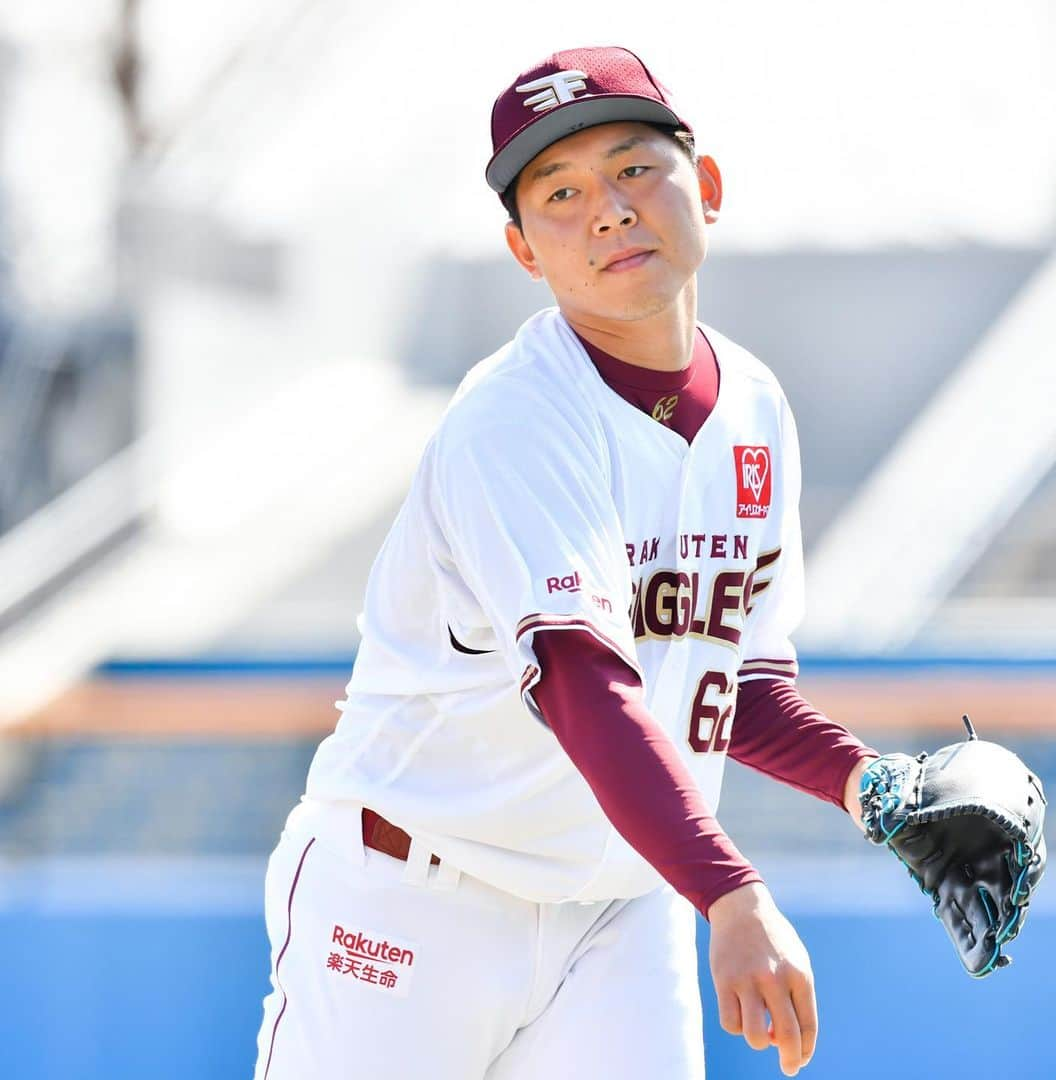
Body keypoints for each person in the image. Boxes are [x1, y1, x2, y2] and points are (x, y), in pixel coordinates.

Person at [252, 45, 880, 1080]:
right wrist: (728, 889)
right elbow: (585, 684)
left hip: (620, 907)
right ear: (523, 252)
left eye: (635, 169)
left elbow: (735, 689)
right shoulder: (515, 418)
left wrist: (876, 790)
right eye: (561, 191)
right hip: (416, 891)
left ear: (705, 188)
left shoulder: (757, 406)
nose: (609, 210)